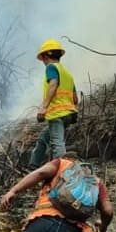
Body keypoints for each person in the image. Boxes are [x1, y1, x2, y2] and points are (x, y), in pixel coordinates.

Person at [29, 38, 79, 167]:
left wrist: (43, 107)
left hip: (57, 114)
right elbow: (75, 99)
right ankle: (33, 165)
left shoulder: (51, 68)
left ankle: (63, 171)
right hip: (69, 114)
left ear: (45, 56)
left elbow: (53, 84)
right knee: (44, 139)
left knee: (57, 143)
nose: (43, 62)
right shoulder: (67, 73)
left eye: (43, 58)